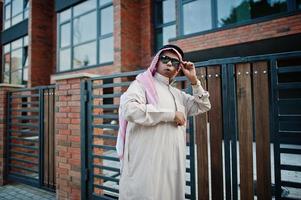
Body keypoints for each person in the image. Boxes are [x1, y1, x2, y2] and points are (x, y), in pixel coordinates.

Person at [116, 44, 211, 200]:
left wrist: (194, 81)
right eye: (165, 58)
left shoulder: (178, 94)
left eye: (174, 62)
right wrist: (171, 115)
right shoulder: (141, 85)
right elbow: (130, 110)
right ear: (156, 61)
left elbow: (204, 105)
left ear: (178, 68)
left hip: (172, 165)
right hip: (146, 164)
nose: (169, 63)